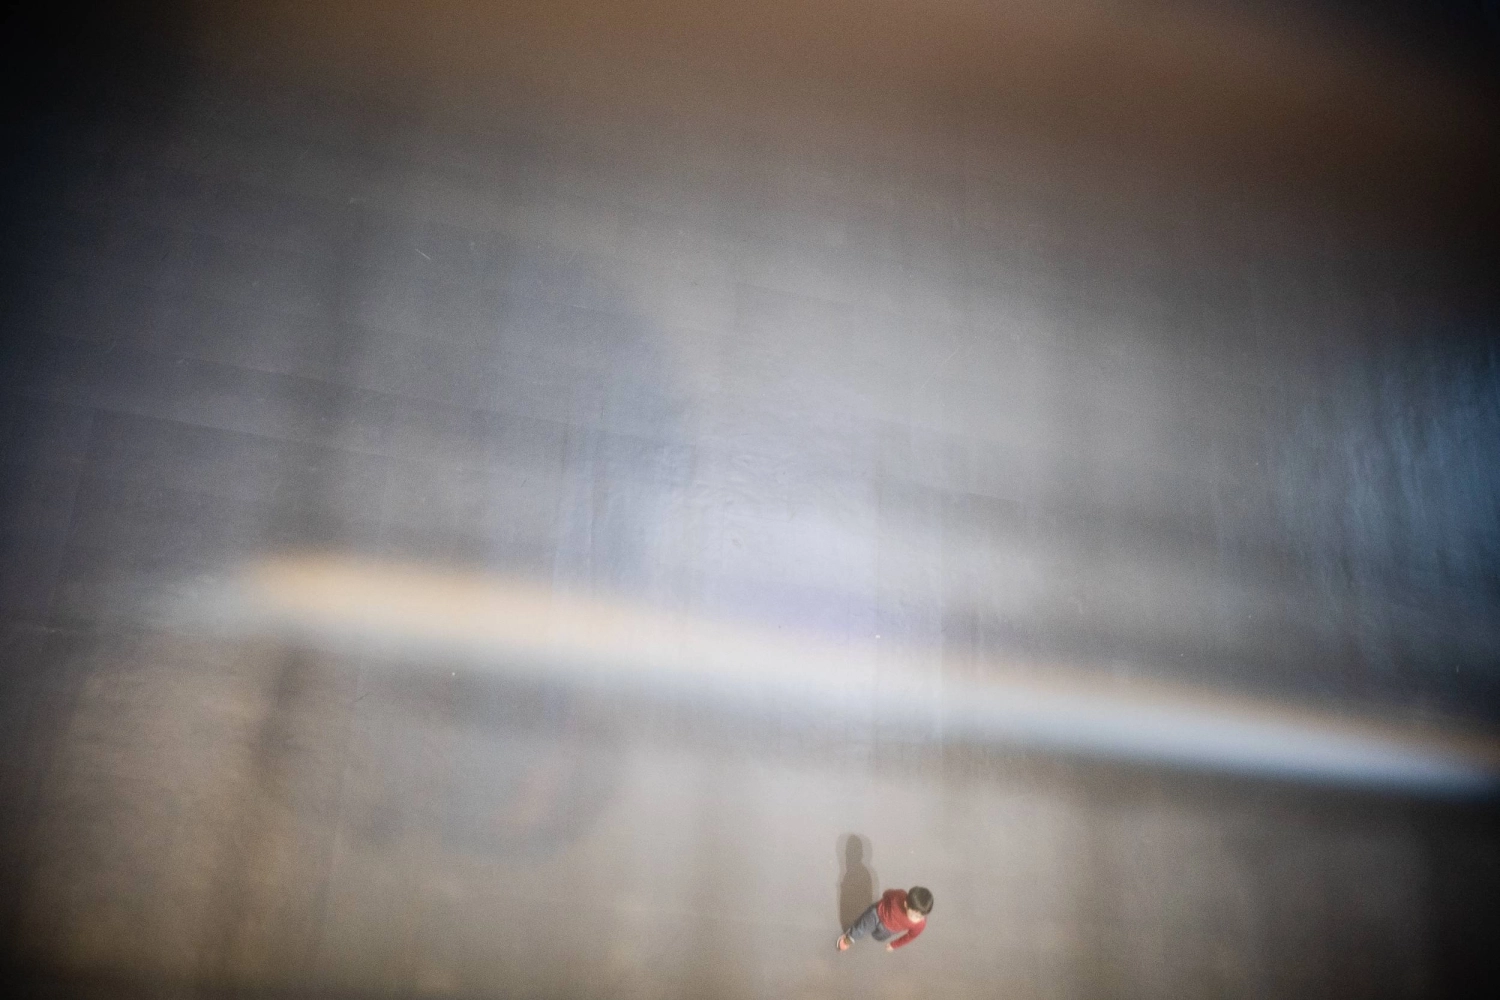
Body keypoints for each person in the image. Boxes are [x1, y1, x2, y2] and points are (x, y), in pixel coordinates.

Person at [836, 886, 932, 952]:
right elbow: (888, 894)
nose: (918, 919)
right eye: (915, 915)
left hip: (889, 930)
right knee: (861, 929)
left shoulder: (920, 924)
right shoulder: (899, 895)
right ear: (906, 904)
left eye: (921, 916)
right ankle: (849, 938)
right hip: (876, 914)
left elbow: (910, 936)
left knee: (878, 937)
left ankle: (860, 930)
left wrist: (894, 945)